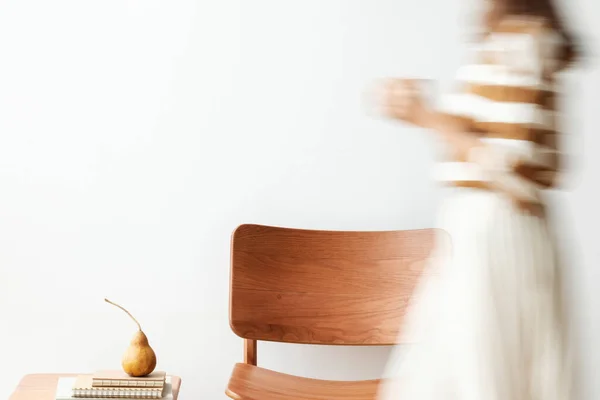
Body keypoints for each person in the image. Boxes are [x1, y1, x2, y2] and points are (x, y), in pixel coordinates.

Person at [376, 0, 581, 399]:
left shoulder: (522, 40)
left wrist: (424, 116)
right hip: (488, 228)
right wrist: (425, 114)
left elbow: (509, 164)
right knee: (469, 370)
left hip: (496, 229)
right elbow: (503, 144)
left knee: (477, 373)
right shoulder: (517, 39)